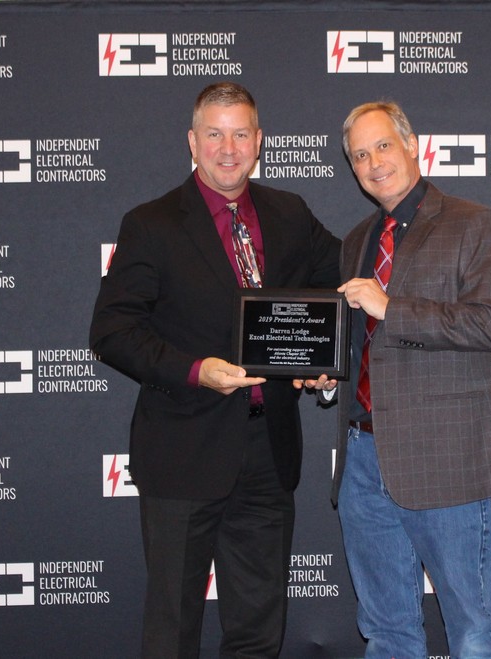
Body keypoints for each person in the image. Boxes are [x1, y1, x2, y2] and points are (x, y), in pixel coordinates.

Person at [90, 81, 340, 658]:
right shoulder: (151, 223)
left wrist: (323, 360)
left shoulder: (290, 213)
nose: (228, 149)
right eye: (214, 134)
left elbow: (340, 284)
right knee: (173, 629)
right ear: (192, 141)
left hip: (268, 452)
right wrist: (196, 370)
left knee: (258, 631)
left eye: (241, 134)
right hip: (182, 452)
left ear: (259, 141)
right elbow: (111, 332)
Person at [329, 100, 491, 658]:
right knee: (386, 632)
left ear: (412, 145)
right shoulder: (355, 240)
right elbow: (361, 345)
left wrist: (392, 308)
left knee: (473, 629)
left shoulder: (471, 221)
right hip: (363, 457)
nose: (373, 163)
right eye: (359, 155)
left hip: (444, 457)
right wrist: (327, 375)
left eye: (383, 146)